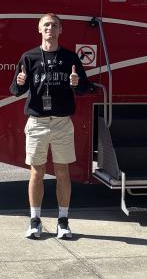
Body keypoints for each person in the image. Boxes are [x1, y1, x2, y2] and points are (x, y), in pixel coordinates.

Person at [10, 13, 97, 240]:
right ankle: (34, 222)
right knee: (36, 172)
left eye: (55, 25)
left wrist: (77, 84)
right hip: (37, 123)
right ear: (39, 29)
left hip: (61, 123)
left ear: (60, 30)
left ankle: (63, 222)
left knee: (62, 172)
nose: (50, 28)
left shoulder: (70, 58)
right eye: (46, 25)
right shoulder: (28, 57)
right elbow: (15, 90)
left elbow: (83, 88)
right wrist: (19, 83)